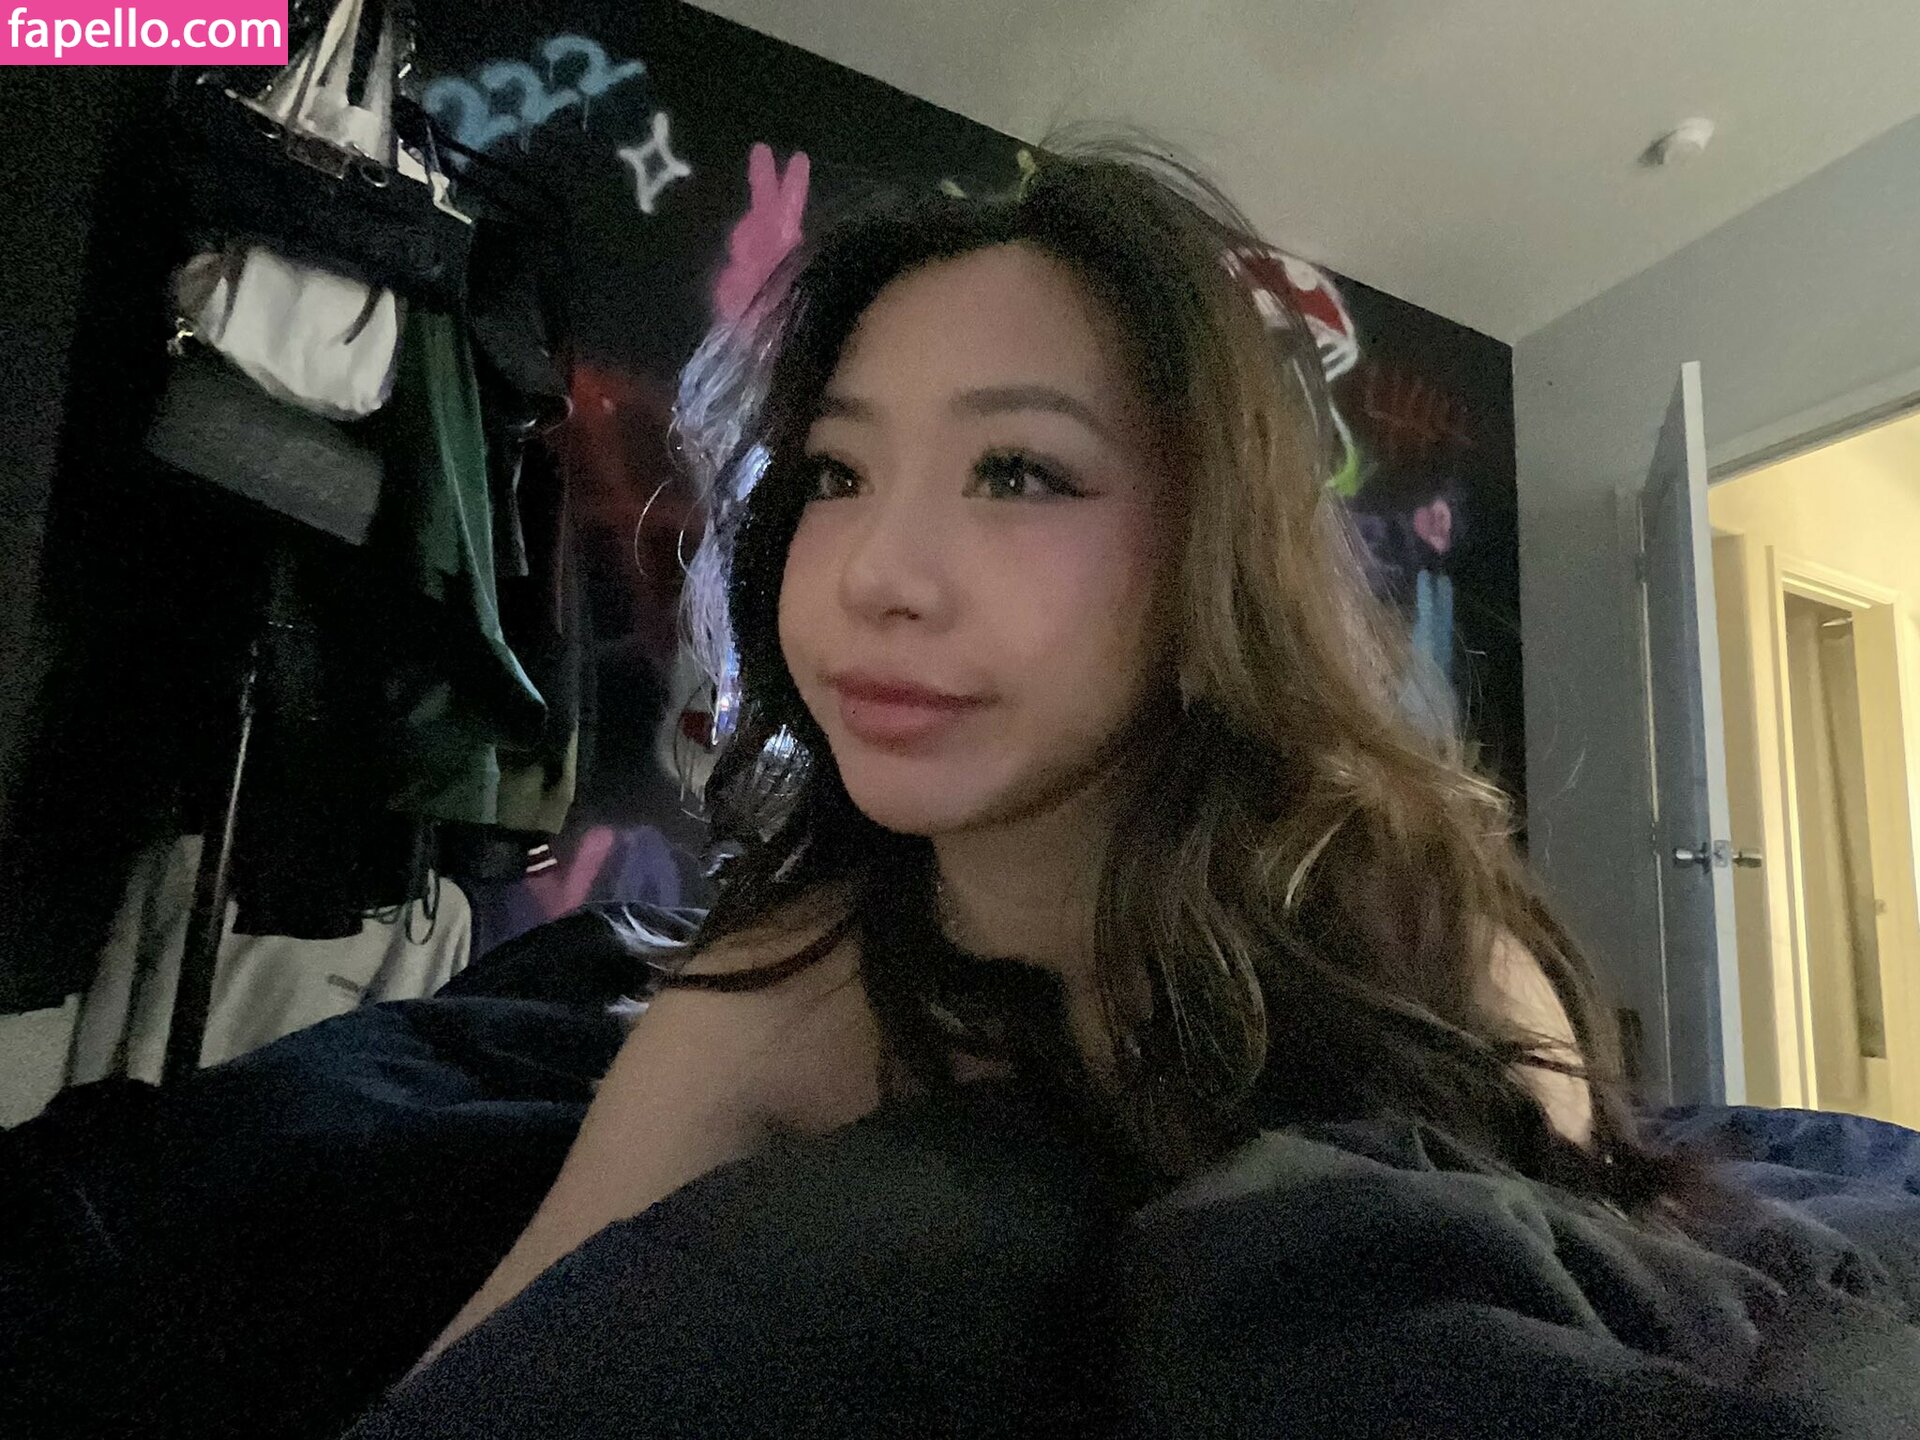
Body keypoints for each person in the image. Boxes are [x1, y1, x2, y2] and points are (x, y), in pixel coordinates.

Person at [417, 141, 1645, 1371]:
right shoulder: (765, 1006)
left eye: (1017, 472)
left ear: (1213, 551)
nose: (876, 575)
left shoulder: (1431, 972)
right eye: (836, 473)